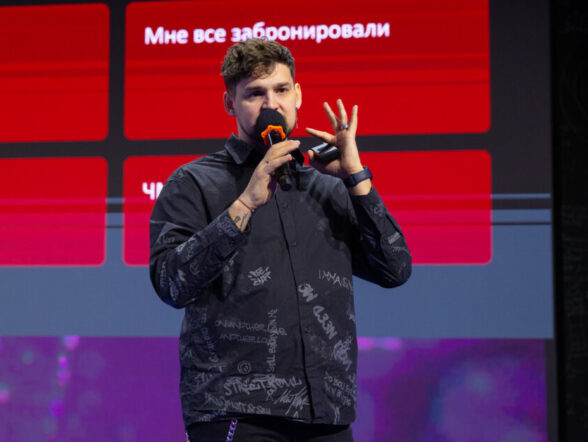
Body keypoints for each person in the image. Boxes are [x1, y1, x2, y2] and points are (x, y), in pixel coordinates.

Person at [149, 39, 411, 441]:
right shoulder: (194, 182)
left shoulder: (328, 185)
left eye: (281, 90)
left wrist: (357, 178)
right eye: (255, 93)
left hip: (327, 413)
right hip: (237, 412)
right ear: (230, 103)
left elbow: (395, 269)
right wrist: (244, 205)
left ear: (298, 95)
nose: (271, 104)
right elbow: (171, 284)